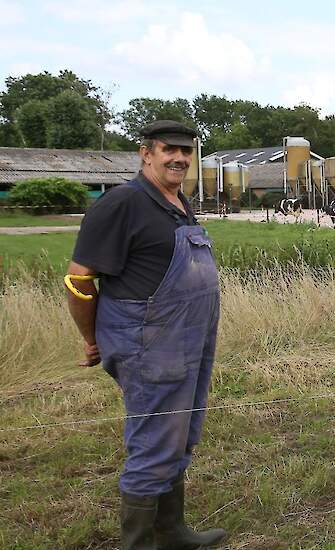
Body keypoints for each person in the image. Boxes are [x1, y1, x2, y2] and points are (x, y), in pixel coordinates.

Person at [65, 120, 226, 550]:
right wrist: (90, 337)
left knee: (179, 434)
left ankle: (171, 532)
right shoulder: (122, 204)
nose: (179, 158)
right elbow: (79, 281)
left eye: (186, 152)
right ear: (146, 153)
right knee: (155, 442)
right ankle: (138, 544)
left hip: (188, 341)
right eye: (169, 150)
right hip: (149, 345)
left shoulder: (177, 202)